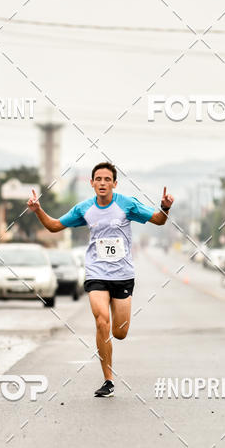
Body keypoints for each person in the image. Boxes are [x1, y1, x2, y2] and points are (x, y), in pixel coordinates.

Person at [27, 161, 174, 397]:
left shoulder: (127, 204)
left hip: (123, 275)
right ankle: (108, 379)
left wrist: (165, 208)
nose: (103, 183)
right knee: (101, 320)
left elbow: (158, 220)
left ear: (114, 183)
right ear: (92, 183)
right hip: (96, 272)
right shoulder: (84, 209)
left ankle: (113, 347)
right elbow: (54, 226)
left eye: (108, 179)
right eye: (99, 179)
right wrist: (38, 211)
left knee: (120, 332)